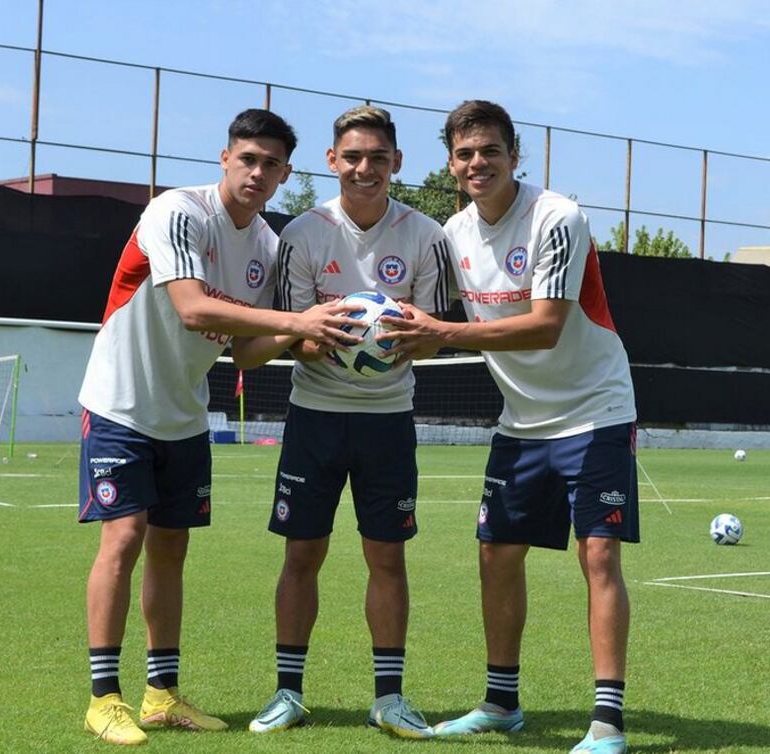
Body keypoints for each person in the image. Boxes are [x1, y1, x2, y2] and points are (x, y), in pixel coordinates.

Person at [78, 108, 362, 746]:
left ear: (288, 173)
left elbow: (246, 350)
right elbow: (191, 307)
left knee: (171, 550)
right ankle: (103, 698)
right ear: (225, 158)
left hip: (183, 414)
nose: (258, 173)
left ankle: (161, 694)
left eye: (271, 165)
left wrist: (309, 340)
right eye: (248, 160)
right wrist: (299, 323)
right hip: (121, 402)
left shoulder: (266, 245)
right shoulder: (177, 211)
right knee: (123, 540)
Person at [379, 100, 638, 754]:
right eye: (465, 153)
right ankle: (501, 702)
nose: (477, 163)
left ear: (514, 155)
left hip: (595, 409)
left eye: (490, 151)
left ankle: (607, 721)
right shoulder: (453, 233)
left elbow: (546, 324)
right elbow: (427, 317)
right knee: (496, 554)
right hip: (522, 423)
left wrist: (441, 331)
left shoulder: (557, 218)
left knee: (598, 554)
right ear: (450, 164)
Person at [248, 105, 451, 739]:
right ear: (332, 162)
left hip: (389, 420)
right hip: (314, 416)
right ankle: (288, 692)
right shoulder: (302, 235)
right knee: (301, 552)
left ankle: (389, 698)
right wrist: (327, 338)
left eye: (378, 157)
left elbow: (436, 335)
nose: (365, 168)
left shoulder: (427, 236)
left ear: (397, 163)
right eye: (352, 157)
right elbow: (287, 334)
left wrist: (395, 339)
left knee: (386, 558)